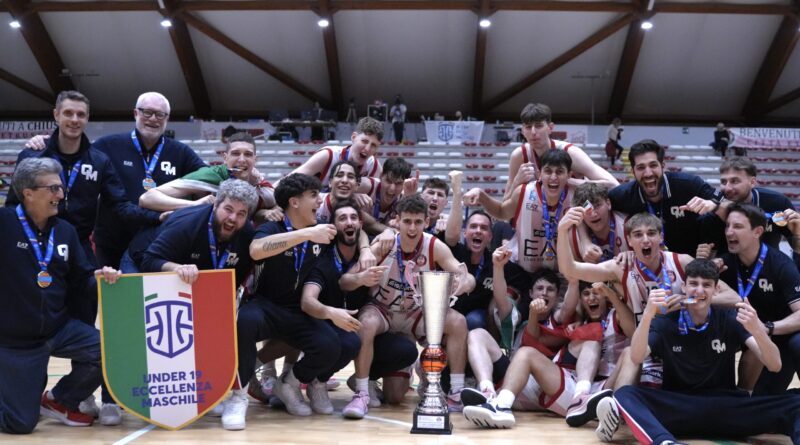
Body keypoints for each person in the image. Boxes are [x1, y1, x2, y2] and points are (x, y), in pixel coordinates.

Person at [594, 259, 800, 445]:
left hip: (725, 407)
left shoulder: (729, 318)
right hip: (678, 407)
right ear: (684, 287)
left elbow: (775, 365)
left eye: (706, 285)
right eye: (693, 284)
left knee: (795, 403)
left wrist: (758, 329)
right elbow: (637, 356)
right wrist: (648, 315)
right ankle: (665, 442)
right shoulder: (665, 323)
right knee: (624, 394)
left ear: (716, 290)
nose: (699, 290)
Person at [0, 157, 120, 434]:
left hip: (58, 329)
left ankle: (61, 399)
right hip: (15, 343)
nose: (61, 195)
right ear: (28, 193)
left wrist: (99, 278)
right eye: (53, 189)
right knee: (21, 424)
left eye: (61, 188)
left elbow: (82, 280)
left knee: (112, 349)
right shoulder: (4, 224)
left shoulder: (65, 231)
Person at [339, 194, 476, 418]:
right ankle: (362, 393)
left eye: (418, 222)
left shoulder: (434, 246)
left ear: (427, 222)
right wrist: (361, 279)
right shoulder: (384, 244)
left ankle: (456, 390)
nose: (412, 228)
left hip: (416, 312)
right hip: (383, 309)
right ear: (397, 220)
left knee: (458, 322)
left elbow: (466, 277)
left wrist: (461, 284)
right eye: (407, 221)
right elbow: (345, 281)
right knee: (365, 323)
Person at [225, 173, 337, 429]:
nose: (319, 201)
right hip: (265, 306)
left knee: (330, 344)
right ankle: (238, 397)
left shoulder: (320, 232)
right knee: (244, 320)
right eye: (313, 196)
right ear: (294, 202)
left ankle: (289, 384)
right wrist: (307, 234)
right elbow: (256, 250)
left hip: (298, 310)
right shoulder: (274, 226)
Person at [7, 91, 164, 267]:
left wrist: (159, 217)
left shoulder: (99, 161)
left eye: (81, 114)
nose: (75, 119)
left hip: (78, 246)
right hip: (36, 242)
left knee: (92, 291)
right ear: (56, 115)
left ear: (87, 118)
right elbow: (13, 205)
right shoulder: (33, 156)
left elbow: (120, 206)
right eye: (68, 113)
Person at [462, 280, 634, 429]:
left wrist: (608, 294)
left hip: (599, 387)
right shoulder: (576, 324)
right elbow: (537, 338)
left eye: (597, 293)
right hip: (556, 381)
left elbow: (633, 331)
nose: (591, 297)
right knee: (478, 334)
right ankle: (488, 393)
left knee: (609, 345)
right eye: (586, 294)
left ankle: (602, 406)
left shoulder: (609, 317)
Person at [301, 199, 418, 409]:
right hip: (325, 326)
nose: (349, 222)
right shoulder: (325, 259)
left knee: (406, 350)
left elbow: (392, 233)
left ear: (361, 224)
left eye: (354, 218)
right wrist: (331, 313)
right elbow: (307, 301)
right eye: (342, 218)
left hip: (359, 327)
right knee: (347, 342)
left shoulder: (371, 251)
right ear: (334, 226)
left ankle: (364, 380)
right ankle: (317, 381)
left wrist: (387, 233)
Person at [713, 203, 800, 395]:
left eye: (737, 226)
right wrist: (706, 267)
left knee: (763, 401)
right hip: (740, 332)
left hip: (776, 338)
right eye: (727, 226)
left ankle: (748, 394)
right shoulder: (724, 263)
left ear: (757, 231)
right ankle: (729, 393)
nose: (728, 232)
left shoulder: (781, 266)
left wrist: (768, 327)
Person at [466, 150, 575, 277]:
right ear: (539, 174)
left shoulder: (575, 197)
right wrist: (481, 195)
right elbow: (501, 212)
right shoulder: (524, 192)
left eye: (560, 172)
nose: (553, 177)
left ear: (569, 175)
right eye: (548, 171)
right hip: (522, 271)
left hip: (560, 275)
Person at [608, 139, 723, 255]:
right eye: (641, 168)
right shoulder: (623, 195)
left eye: (653, 165)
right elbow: (592, 206)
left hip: (690, 265)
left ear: (662, 166)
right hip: (649, 267)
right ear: (633, 171)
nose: (648, 173)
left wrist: (714, 204)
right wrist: (588, 242)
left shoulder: (688, 184)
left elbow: (727, 202)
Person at [140, 178, 257, 287]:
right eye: (228, 209)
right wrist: (177, 268)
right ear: (215, 205)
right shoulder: (186, 225)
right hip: (141, 256)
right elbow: (149, 261)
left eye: (241, 214)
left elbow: (237, 278)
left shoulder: (247, 233)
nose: (233, 218)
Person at [138, 132, 275, 220]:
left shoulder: (259, 185)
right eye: (235, 153)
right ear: (225, 158)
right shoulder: (210, 176)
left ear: (255, 160)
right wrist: (194, 205)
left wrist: (264, 213)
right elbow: (147, 198)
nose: (242, 159)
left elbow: (278, 202)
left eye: (248, 154)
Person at [503, 103, 618, 200]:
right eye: (528, 127)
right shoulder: (519, 155)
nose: (533, 132)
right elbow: (505, 204)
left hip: (573, 214)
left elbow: (613, 185)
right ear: (522, 131)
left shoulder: (570, 152)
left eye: (538, 126)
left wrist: (569, 182)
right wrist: (516, 182)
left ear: (550, 128)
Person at [444, 170, 496, 330]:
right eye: (473, 226)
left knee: (474, 320)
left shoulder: (497, 264)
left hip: (476, 315)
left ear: (490, 236)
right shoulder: (453, 251)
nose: (478, 231)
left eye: (484, 228)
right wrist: (457, 193)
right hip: (449, 310)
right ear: (464, 233)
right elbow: (451, 234)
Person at [287, 116, 383, 193]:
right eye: (364, 141)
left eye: (373, 145)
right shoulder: (328, 156)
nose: (367, 148)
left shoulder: (373, 166)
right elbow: (288, 183)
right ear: (354, 137)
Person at [568, 182, 629, 264]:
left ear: (608, 203)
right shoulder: (574, 236)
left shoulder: (628, 226)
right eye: (587, 208)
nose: (593, 214)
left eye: (597, 205)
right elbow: (572, 274)